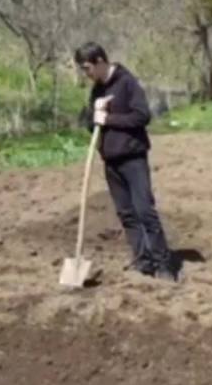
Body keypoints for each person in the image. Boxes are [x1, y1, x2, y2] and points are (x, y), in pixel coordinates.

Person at [76, 42, 179, 281]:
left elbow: (142, 116)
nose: (86, 74)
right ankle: (144, 261)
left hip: (133, 158)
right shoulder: (97, 90)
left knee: (144, 211)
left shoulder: (127, 82)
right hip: (110, 161)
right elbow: (92, 125)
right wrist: (94, 116)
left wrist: (108, 117)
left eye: (88, 68)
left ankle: (164, 265)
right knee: (126, 214)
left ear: (101, 61)